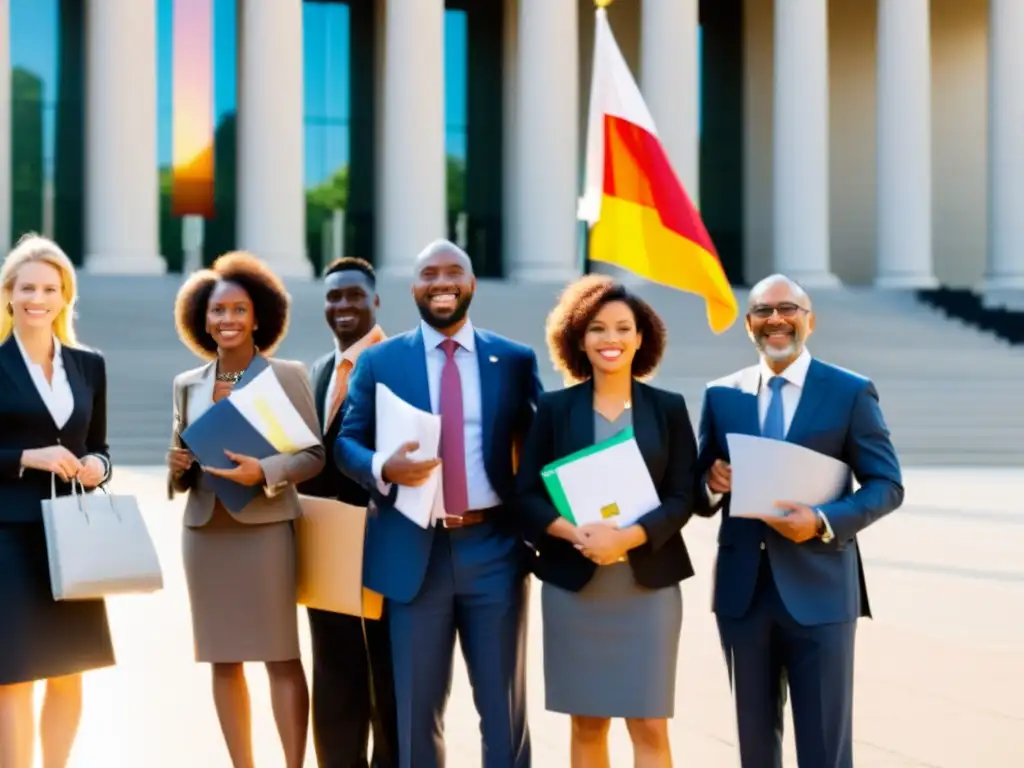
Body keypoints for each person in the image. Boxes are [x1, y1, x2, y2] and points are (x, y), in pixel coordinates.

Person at [336, 239, 542, 768]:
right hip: (412, 553)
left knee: (503, 710)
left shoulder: (514, 360)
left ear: (471, 284)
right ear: (413, 289)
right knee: (414, 713)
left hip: (494, 549)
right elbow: (346, 443)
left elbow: (546, 441)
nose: (442, 282)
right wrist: (384, 466)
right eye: (429, 273)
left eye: (454, 272)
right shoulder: (380, 360)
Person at [692, 274, 904, 768]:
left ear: (810, 320)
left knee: (825, 747)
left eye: (788, 308)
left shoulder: (850, 391)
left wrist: (824, 520)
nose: (776, 319)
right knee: (753, 744)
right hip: (743, 594)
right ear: (749, 325)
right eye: (763, 312)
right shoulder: (723, 394)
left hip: (822, 589)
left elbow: (887, 485)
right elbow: (700, 488)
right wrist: (712, 483)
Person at [516, 275, 698, 768]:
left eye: (623, 328)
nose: (611, 339)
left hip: (648, 587)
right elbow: (526, 495)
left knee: (649, 723)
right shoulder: (554, 409)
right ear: (578, 338)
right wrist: (573, 533)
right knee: (588, 722)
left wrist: (628, 537)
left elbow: (684, 496)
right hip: (576, 586)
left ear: (642, 337)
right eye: (597, 328)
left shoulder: (668, 409)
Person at [167, 251, 325, 768]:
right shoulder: (187, 383)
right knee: (222, 657)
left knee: (280, 654)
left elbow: (314, 455)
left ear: (260, 317)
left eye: (238, 310)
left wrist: (266, 472)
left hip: (264, 530)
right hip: (205, 530)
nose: (227, 320)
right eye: (217, 311)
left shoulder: (286, 375)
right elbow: (183, 466)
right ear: (201, 319)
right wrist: (176, 465)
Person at [0, 234, 114, 768]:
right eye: (27, 288)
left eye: (49, 288)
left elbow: (101, 447)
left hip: (73, 534)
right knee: (14, 673)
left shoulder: (89, 365)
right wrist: (27, 456)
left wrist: (98, 466)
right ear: (8, 294)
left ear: (65, 295)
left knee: (69, 670)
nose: (37, 298)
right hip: (10, 535)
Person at [299, 257, 398, 768]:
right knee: (333, 671)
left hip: (384, 541)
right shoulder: (317, 370)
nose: (343, 305)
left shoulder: (400, 362)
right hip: (326, 542)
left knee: (388, 675)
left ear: (376, 301)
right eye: (333, 296)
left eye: (354, 295)